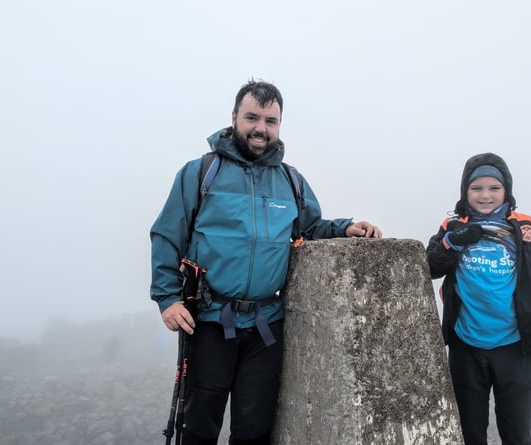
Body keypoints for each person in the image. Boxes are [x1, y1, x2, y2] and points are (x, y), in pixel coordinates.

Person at [150, 79, 382, 445]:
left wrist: (346, 227)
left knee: (255, 430)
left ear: (278, 126)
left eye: (270, 121)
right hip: (209, 320)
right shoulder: (200, 174)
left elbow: (310, 226)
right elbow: (167, 234)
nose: (261, 128)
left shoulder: (290, 181)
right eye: (252, 118)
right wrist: (167, 298)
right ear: (234, 118)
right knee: (198, 426)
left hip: (265, 325)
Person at [425, 152, 531, 444]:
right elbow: (430, 267)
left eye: (494, 187)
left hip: (514, 346)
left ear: (507, 190)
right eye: (476, 188)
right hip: (466, 345)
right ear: (465, 191)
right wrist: (452, 242)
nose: (485, 195)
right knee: (469, 432)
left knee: (517, 433)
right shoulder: (452, 225)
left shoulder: (526, 227)